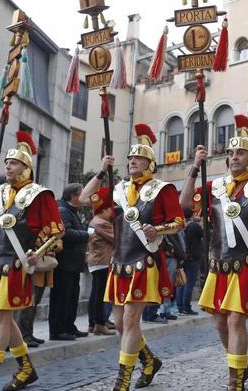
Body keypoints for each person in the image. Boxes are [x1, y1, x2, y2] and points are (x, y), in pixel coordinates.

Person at [180, 114, 248, 391]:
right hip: (219, 264)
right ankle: (240, 365)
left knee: (235, 318)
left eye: (240, 152)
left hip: (247, 263)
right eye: (230, 153)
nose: (234, 157)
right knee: (219, 322)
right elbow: (184, 206)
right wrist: (195, 167)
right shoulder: (213, 187)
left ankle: (235, 380)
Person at [80, 124, 184, 391]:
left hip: (143, 261)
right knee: (118, 323)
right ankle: (148, 361)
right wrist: (103, 170)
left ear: (149, 162)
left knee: (129, 319)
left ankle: (122, 380)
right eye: (129, 159)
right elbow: (84, 197)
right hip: (119, 263)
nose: (131, 162)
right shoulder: (118, 190)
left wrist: (157, 229)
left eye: (136, 158)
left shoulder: (163, 189)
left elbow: (179, 222)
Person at [0, 131, 63, 391]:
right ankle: (26, 369)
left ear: (27, 166)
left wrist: (37, 253)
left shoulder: (39, 194)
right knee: (5, 320)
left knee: (0, 317)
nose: (8, 166)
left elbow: (56, 231)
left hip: (15, 264)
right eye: (6, 162)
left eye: (14, 162)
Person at [50, 183, 89, 340]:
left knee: (72, 296)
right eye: (82, 193)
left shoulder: (72, 210)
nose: (84, 197)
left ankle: (69, 326)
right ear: (73, 196)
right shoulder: (63, 210)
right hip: (65, 263)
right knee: (61, 297)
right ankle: (58, 330)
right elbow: (65, 233)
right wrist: (86, 235)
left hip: (73, 263)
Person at [86, 187, 116, 336]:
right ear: (104, 210)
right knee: (100, 295)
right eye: (110, 210)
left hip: (96, 260)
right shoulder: (101, 223)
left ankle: (93, 323)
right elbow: (116, 239)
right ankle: (99, 323)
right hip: (102, 261)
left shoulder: (94, 221)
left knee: (95, 294)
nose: (112, 213)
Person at [175, 211, 202, 315]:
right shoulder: (194, 225)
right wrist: (200, 222)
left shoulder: (182, 225)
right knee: (189, 282)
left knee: (181, 282)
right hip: (193, 257)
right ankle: (186, 307)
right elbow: (204, 233)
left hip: (184, 256)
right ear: (192, 215)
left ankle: (180, 307)